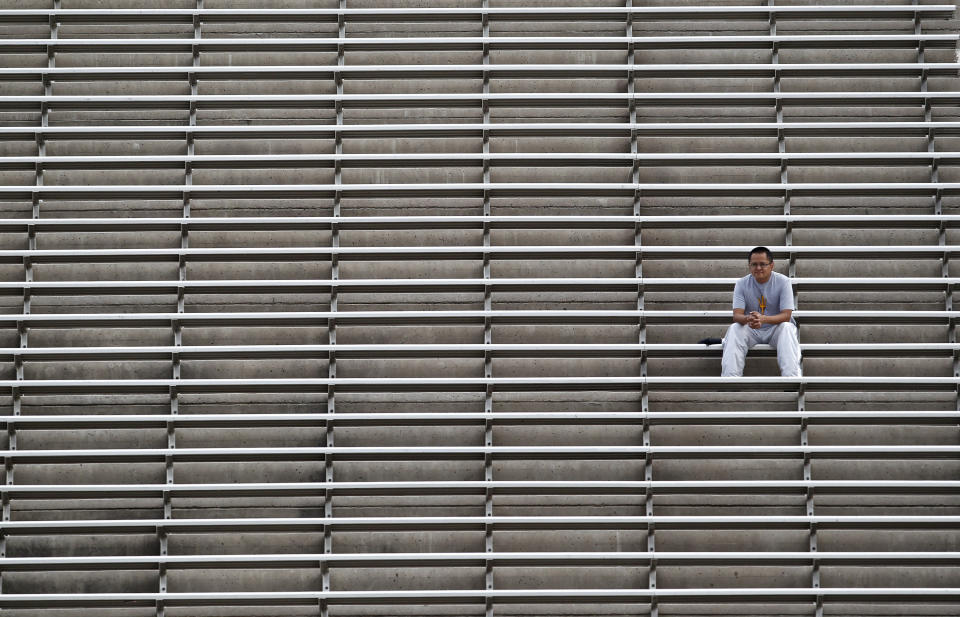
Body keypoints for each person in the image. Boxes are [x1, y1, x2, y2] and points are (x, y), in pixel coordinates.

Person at [721, 247, 802, 377]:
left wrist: (763, 319)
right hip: (752, 328)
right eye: (754, 264)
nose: (758, 268)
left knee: (787, 328)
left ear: (771, 265)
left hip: (776, 329)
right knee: (735, 328)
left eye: (762, 264)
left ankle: (791, 379)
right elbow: (737, 316)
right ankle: (730, 379)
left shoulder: (784, 282)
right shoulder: (741, 283)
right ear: (749, 266)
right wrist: (750, 319)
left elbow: (786, 316)